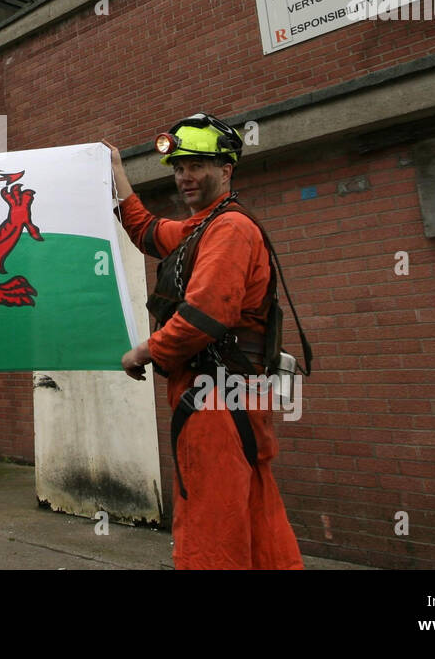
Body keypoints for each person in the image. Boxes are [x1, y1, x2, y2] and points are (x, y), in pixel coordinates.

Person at [105, 113, 303, 570]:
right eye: (178, 168)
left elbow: (203, 316)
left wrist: (143, 351)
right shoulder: (205, 227)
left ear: (226, 170)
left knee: (210, 522)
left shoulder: (229, 229)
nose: (184, 177)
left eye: (197, 165)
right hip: (229, 395)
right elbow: (148, 232)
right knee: (252, 513)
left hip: (215, 399)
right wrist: (116, 174)